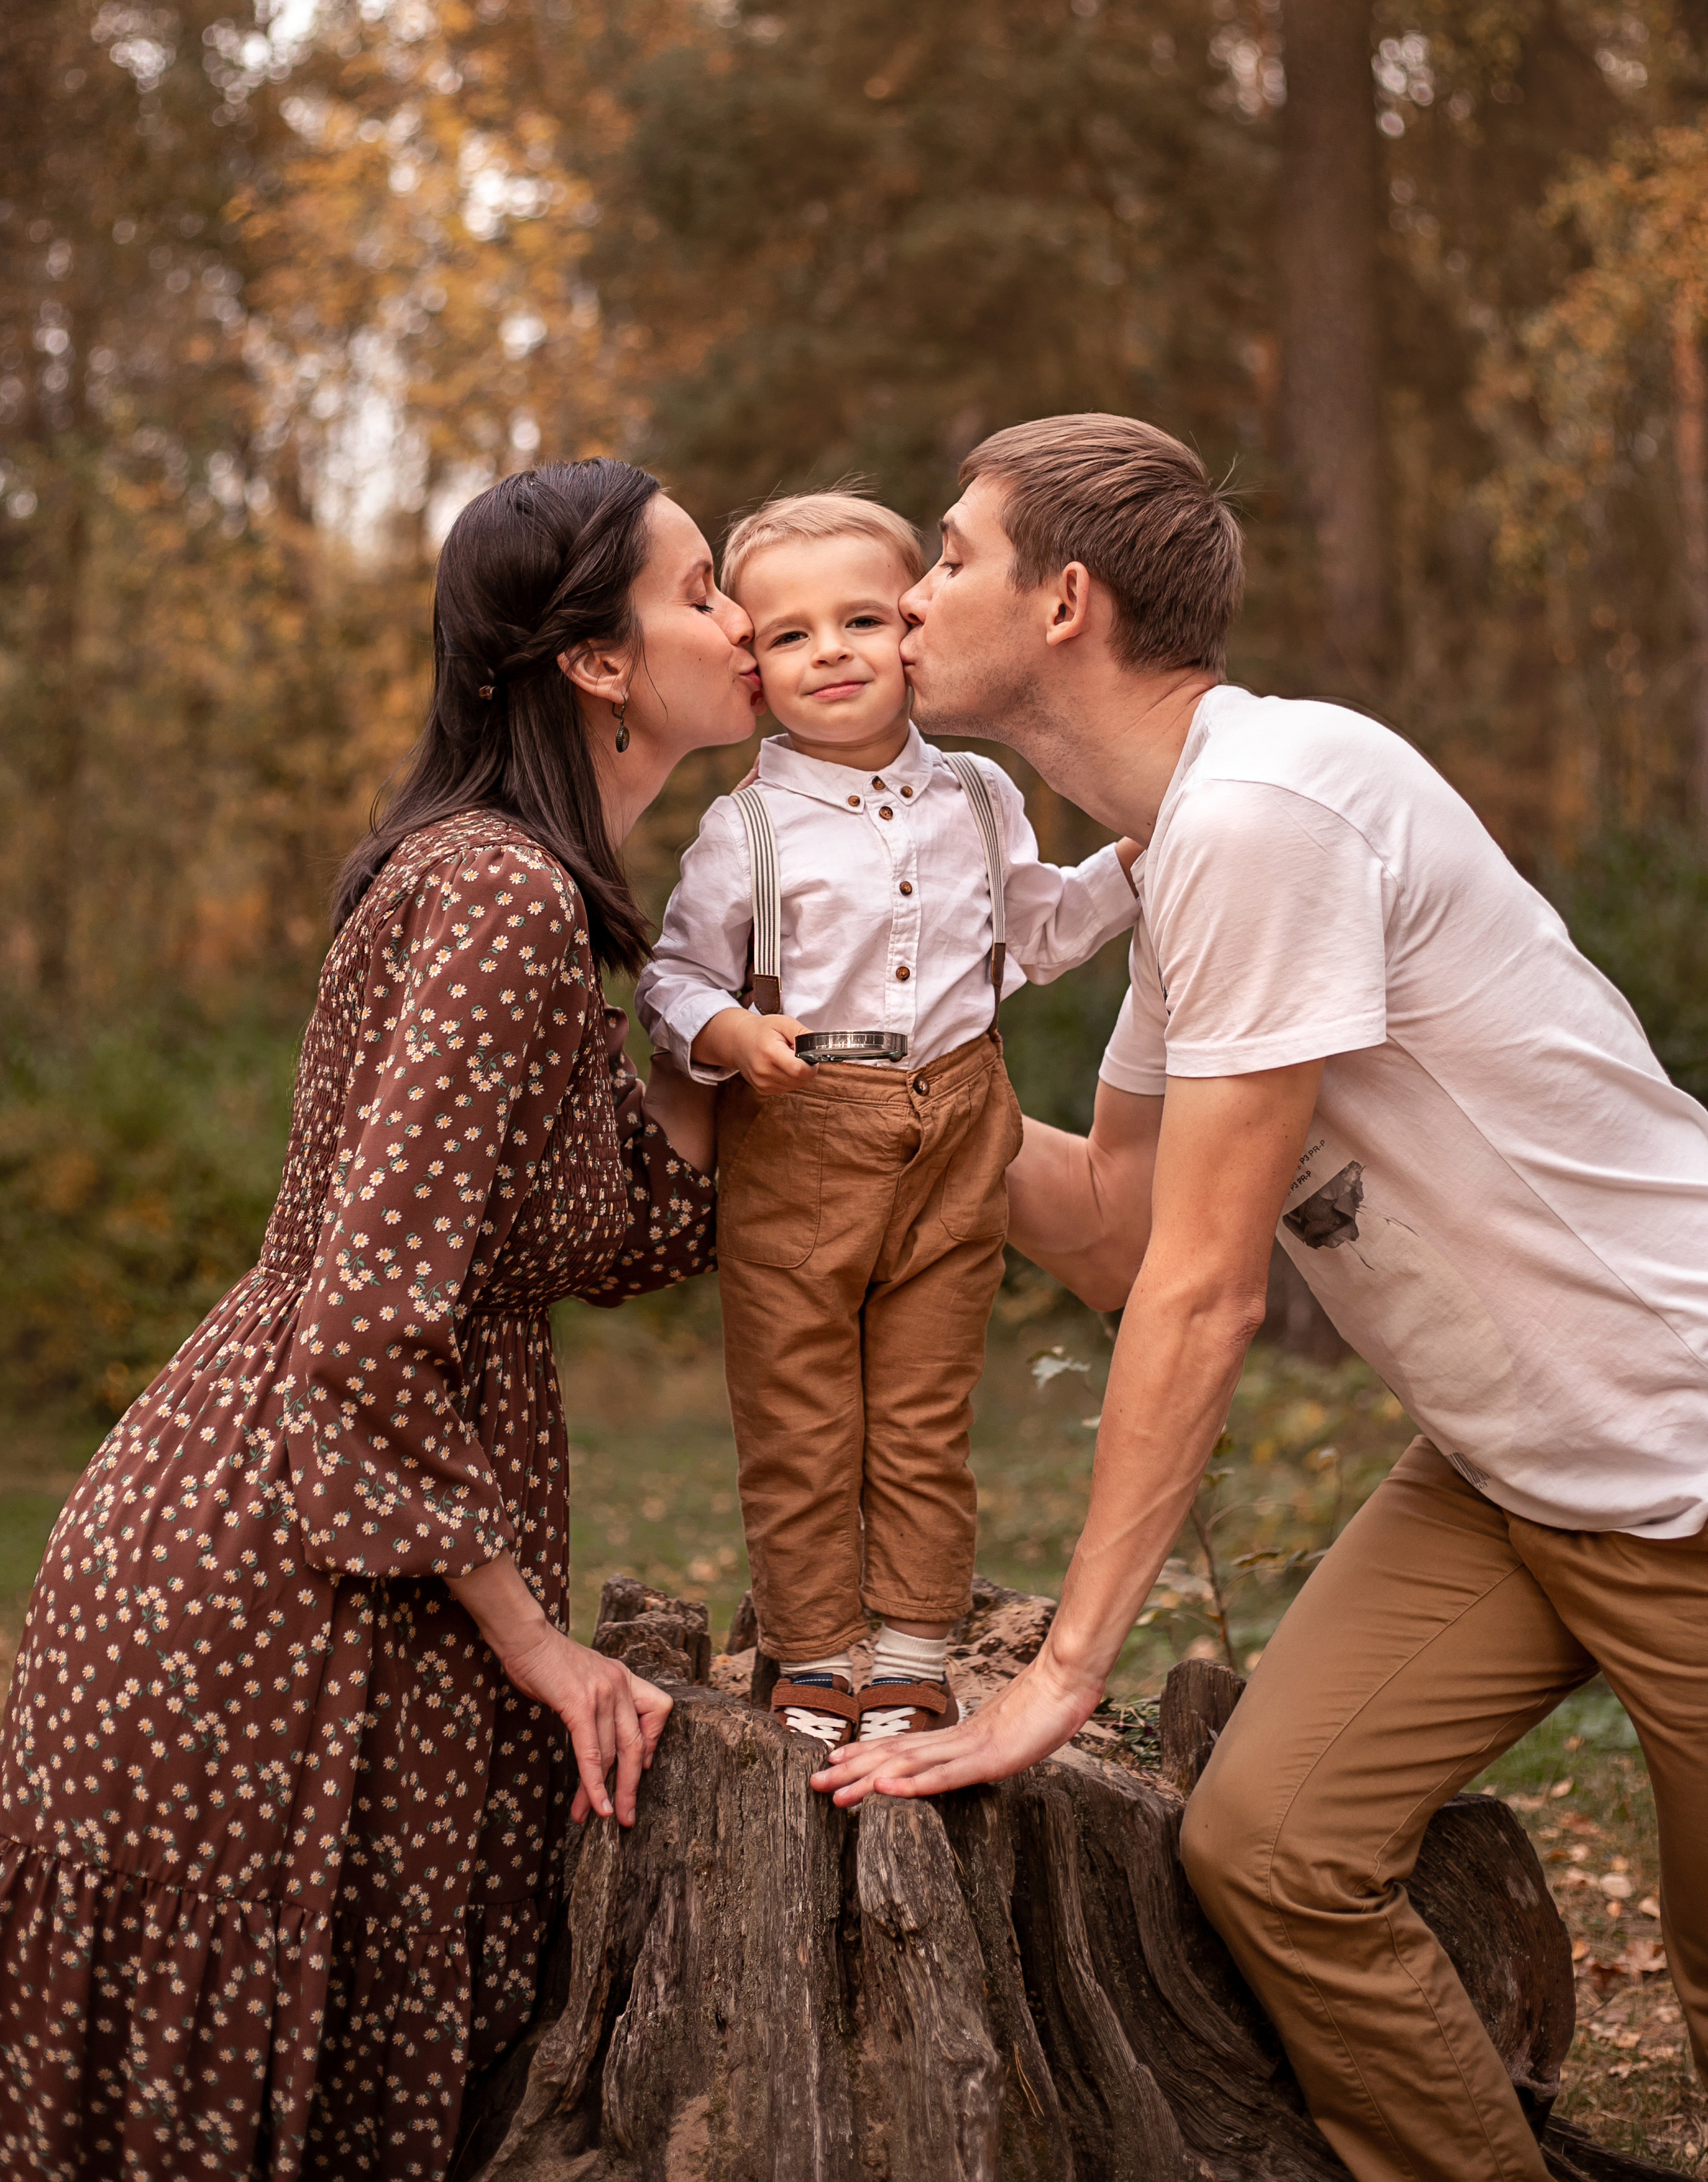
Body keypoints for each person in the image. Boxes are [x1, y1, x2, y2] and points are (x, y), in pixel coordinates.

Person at [813, 413, 1708, 2182]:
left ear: (1064, 603)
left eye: (948, 560)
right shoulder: (1186, 854)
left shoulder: (1266, 815)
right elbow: (1117, 1219)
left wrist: (1064, 1679)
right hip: (1515, 1471)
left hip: (1682, 1450)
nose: (904, 604)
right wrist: (852, 1083)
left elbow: (1207, 1294)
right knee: (1276, 1851)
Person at [0, 458, 761, 2182]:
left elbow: (634, 1222)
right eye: (705, 587)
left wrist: (724, 984)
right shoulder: (497, 896)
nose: (747, 623)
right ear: (598, 661)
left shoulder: (540, 899)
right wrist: (538, 1643)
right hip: (276, 1584)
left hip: (330, 1519)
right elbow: (364, 1327)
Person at [634, 492, 1140, 1751]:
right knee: (801, 1411)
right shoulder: (742, 826)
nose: (835, 652)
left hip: (963, 1118)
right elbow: (673, 977)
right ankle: (813, 1652)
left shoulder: (977, 793)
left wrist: (1143, 858)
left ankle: (913, 1651)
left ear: (914, 627)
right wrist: (729, 1034)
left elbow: (1041, 931)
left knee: (923, 1408)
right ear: (754, 663)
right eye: (794, 634)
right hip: (803, 1128)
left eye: (864, 618)